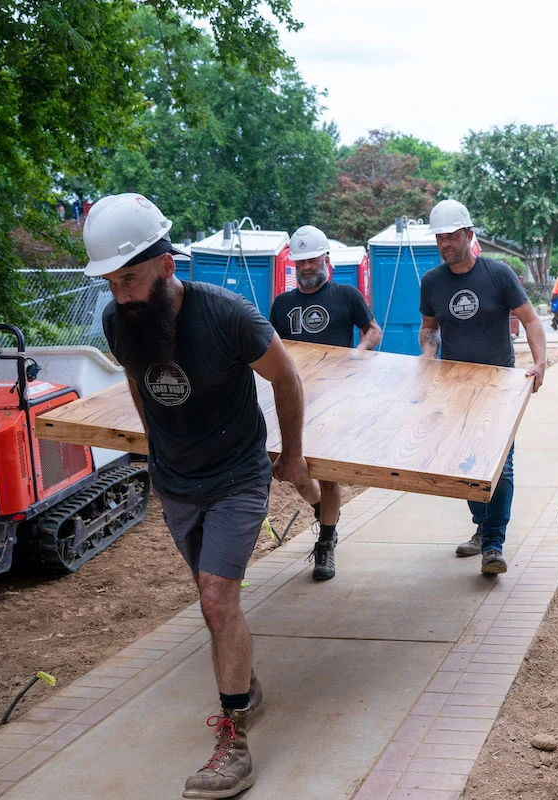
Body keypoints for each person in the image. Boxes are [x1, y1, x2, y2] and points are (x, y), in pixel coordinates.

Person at [84, 193, 321, 799]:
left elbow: (287, 377)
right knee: (213, 599)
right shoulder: (121, 321)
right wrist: (153, 449)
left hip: (237, 474)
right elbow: (140, 385)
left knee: (217, 598)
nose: (121, 294)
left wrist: (290, 457)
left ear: (166, 265)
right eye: (110, 282)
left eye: (130, 278)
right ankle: (246, 685)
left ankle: (232, 739)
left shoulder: (227, 315)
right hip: (177, 481)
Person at [418, 199, 547, 575]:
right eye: (440, 238)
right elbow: (430, 328)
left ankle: (493, 545)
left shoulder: (498, 274)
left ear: (469, 235)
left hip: (500, 385)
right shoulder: (432, 282)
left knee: (500, 467)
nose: (445, 244)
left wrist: (540, 363)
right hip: (455, 386)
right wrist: (427, 357)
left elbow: (532, 322)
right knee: (465, 466)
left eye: (451, 236)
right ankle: (482, 526)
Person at [268, 225, 382, 581]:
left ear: (325, 259)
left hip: (337, 402)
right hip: (294, 402)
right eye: (300, 260)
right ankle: (325, 513)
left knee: (330, 476)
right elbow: (268, 348)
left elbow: (373, 331)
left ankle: (326, 544)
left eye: (312, 258)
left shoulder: (346, 295)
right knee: (295, 473)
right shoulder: (282, 305)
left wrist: (356, 355)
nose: (306, 266)